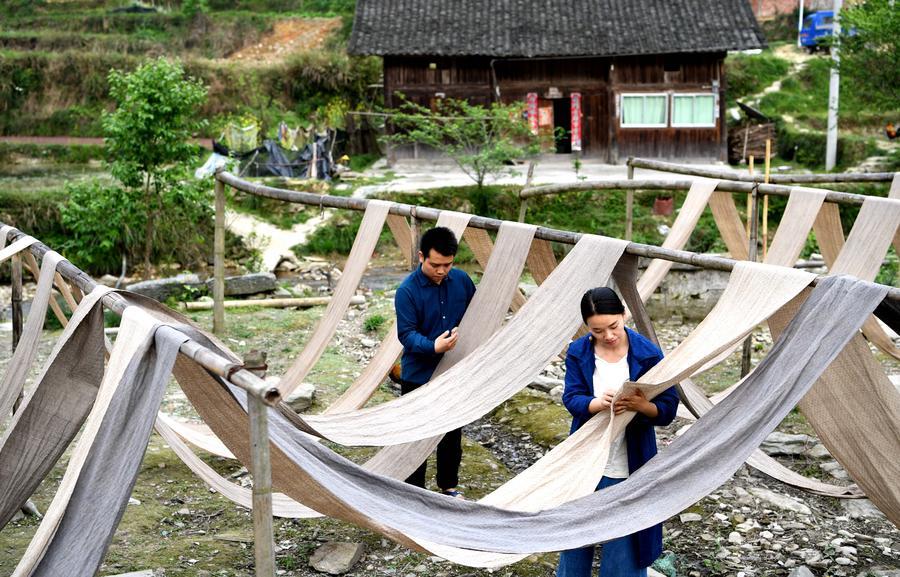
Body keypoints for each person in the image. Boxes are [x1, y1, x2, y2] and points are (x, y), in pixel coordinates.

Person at [557, 287, 679, 577]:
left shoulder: (647, 354)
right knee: (575, 534)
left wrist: (642, 405)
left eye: (613, 326)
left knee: (624, 539)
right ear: (587, 327)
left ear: (624, 315)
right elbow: (571, 398)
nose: (608, 336)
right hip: (586, 457)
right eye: (598, 331)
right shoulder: (579, 352)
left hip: (630, 459)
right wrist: (596, 404)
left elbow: (668, 408)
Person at [394, 226, 476, 498]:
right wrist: (433, 346)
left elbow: (479, 314)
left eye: (448, 265)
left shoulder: (462, 281)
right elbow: (405, 334)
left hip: (454, 372)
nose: (442, 271)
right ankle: (416, 493)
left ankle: (448, 487)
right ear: (421, 257)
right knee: (415, 436)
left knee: (451, 434)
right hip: (418, 374)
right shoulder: (407, 291)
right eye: (435, 265)